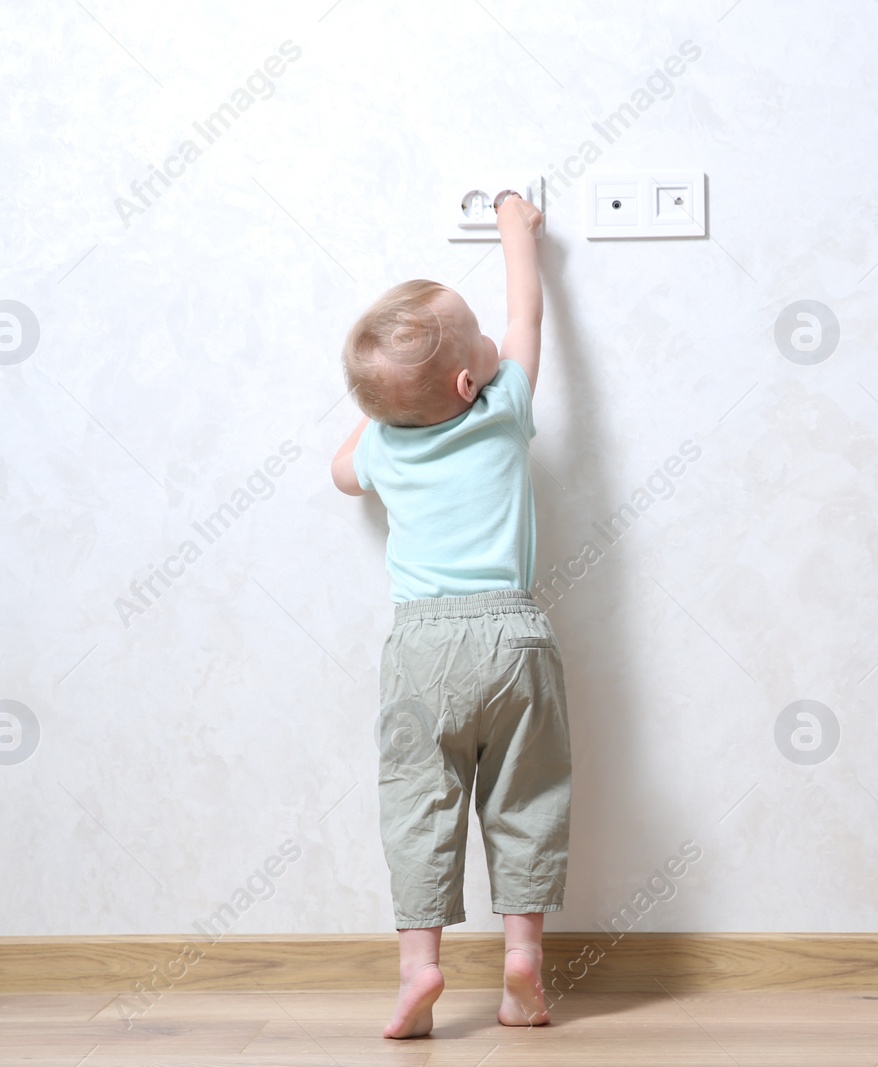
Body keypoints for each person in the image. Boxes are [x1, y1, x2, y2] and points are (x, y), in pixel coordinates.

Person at [330, 193, 569, 1038]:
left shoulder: (382, 447)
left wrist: (388, 406)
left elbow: (339, 474)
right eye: (478, 339)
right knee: (527, 797)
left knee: (418, 804)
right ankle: (522, 961)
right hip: (517, 639)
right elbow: (526, 313)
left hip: (420, 648)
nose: (494, 342)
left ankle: (419, 967)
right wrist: (514, 225)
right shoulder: (504, 411)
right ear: (474, 381)